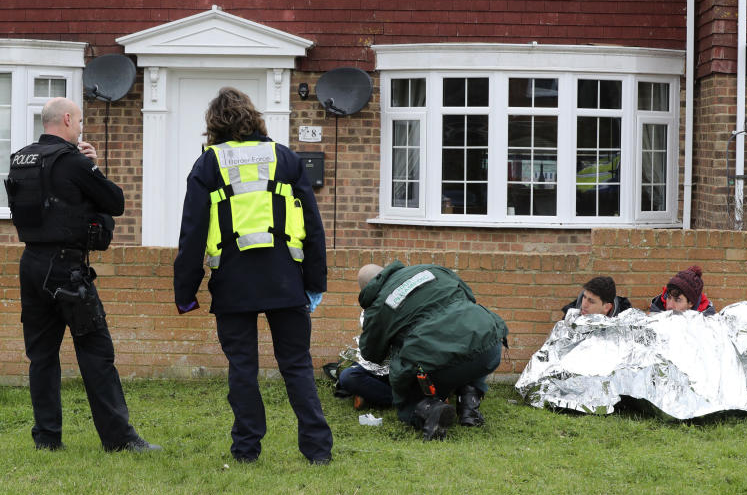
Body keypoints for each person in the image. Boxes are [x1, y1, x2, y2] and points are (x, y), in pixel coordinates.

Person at [174, 87, 333, 465]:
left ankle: (246, 451)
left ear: (213, 125)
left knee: (242, 367)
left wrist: (185, 291)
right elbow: (313, 226)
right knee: (296, 364)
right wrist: (315, 282)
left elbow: (192, 231)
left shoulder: (208, 164)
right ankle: (318, 451)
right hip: (285, 278)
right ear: (255, 117)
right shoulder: (286, 158)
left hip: (233, 281)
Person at [5, 97, 159, 452]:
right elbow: (115, 202)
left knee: (41, 355)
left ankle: (47, 437)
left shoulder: (22, 160)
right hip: (65, 270)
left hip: (31, 264)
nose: (81, 129)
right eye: (80, 122)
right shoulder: (73, 161)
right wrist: (94, 166)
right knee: (96, 351)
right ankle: (119, 439)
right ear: (68, 119)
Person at [357, 261, 508, 440]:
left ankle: (428, 410)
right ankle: (469, 403)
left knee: (402, 369)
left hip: (440, 365)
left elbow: (371, 354)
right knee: (470, 336)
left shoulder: (378, 306)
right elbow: (470, 297)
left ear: (367, 290)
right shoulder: (431, 269)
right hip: (490, 347)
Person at [649, 265, 716, 316]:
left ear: (691, 303)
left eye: (677, 300)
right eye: (669, 297)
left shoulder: (707, 324)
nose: (669, 306)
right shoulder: (656, 317)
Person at [561, 276, 632, 317]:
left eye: (591, 301)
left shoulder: (625, 326)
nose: (584, 305)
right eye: (584, 297)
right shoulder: (571, 316)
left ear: (607, 307)